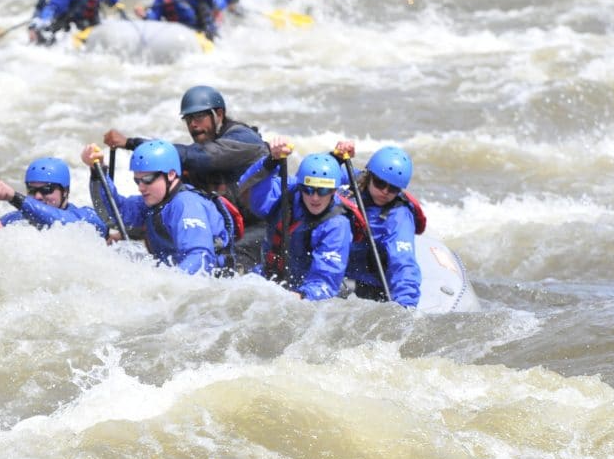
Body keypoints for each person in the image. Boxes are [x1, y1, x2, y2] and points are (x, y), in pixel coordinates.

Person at [101, 85, 268, 270]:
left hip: (263, 226)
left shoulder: (245, 140)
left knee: (231, 266)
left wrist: (131, 143)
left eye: (198, 117)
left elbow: (198, 156)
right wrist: (131, 233)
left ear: (219, 114)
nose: (193, 125)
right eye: (188, 119)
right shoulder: (198, 162)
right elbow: (166, 204)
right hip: (228, 228)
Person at [80, 139, 233, 275]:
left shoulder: (186, 204)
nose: (141, 187)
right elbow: (114, 214)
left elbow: (200, 257)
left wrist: (167, 289)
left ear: (171, 174)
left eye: (147, 179)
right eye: (137, 181)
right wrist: (97, 171)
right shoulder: (152, 203)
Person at [239, 138, 364, 301]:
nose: (315, 198)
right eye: (309, 189)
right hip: (269, 279)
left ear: (334, 191)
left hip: (310, 293)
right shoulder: (288, 192)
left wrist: (300, 296)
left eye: (323, 191)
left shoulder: (338, 225)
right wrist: (271, 161)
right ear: (300, 186)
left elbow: (325, 280)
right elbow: (248, 188)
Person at [342, 144, 422, 308]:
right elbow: (321, 175)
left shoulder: (398, 218)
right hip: (337, 268)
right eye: (380, 183)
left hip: (369, 285)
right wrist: (335, 157)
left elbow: (403, 264)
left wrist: (405, 307)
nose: (385, 191)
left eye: (393, 188)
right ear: (369, 176)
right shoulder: (354, 181)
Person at [0, 157, 107, 238]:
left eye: (46, 190)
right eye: (32, 190)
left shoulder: (88, 218)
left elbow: (61, 221)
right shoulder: (16, 219)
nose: (38, 196)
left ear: (65, 191)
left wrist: (14, 197)